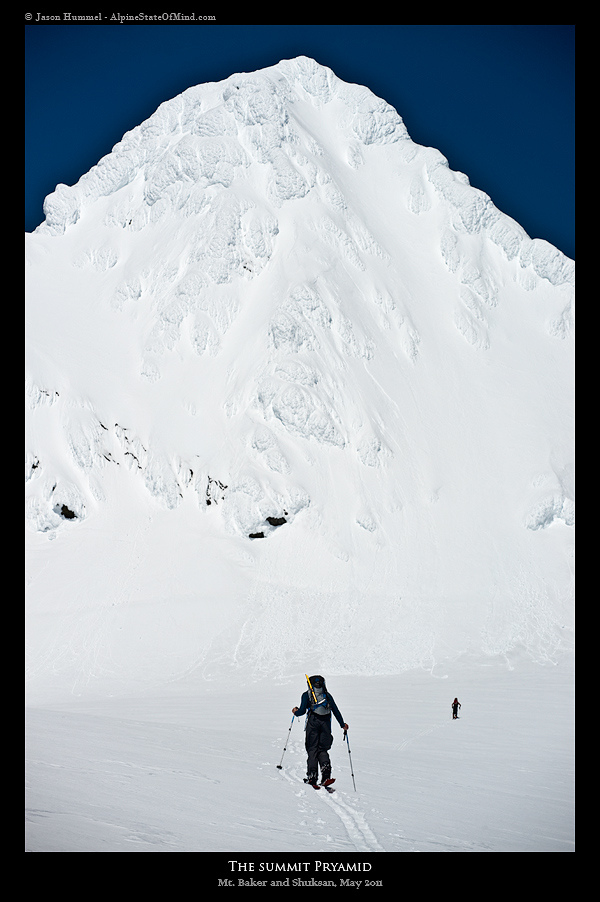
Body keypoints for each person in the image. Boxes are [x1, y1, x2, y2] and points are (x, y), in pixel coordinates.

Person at [292, 675, 348, 787]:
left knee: (312, 749)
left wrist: (295, 712)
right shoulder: (327, 695)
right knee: (322, 749)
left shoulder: (306, 695)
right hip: (326, 724)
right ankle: (326, 775)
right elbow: (336, 711)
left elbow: (302, 711)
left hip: (313, 723)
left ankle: (312, 777)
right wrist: (343, 725)